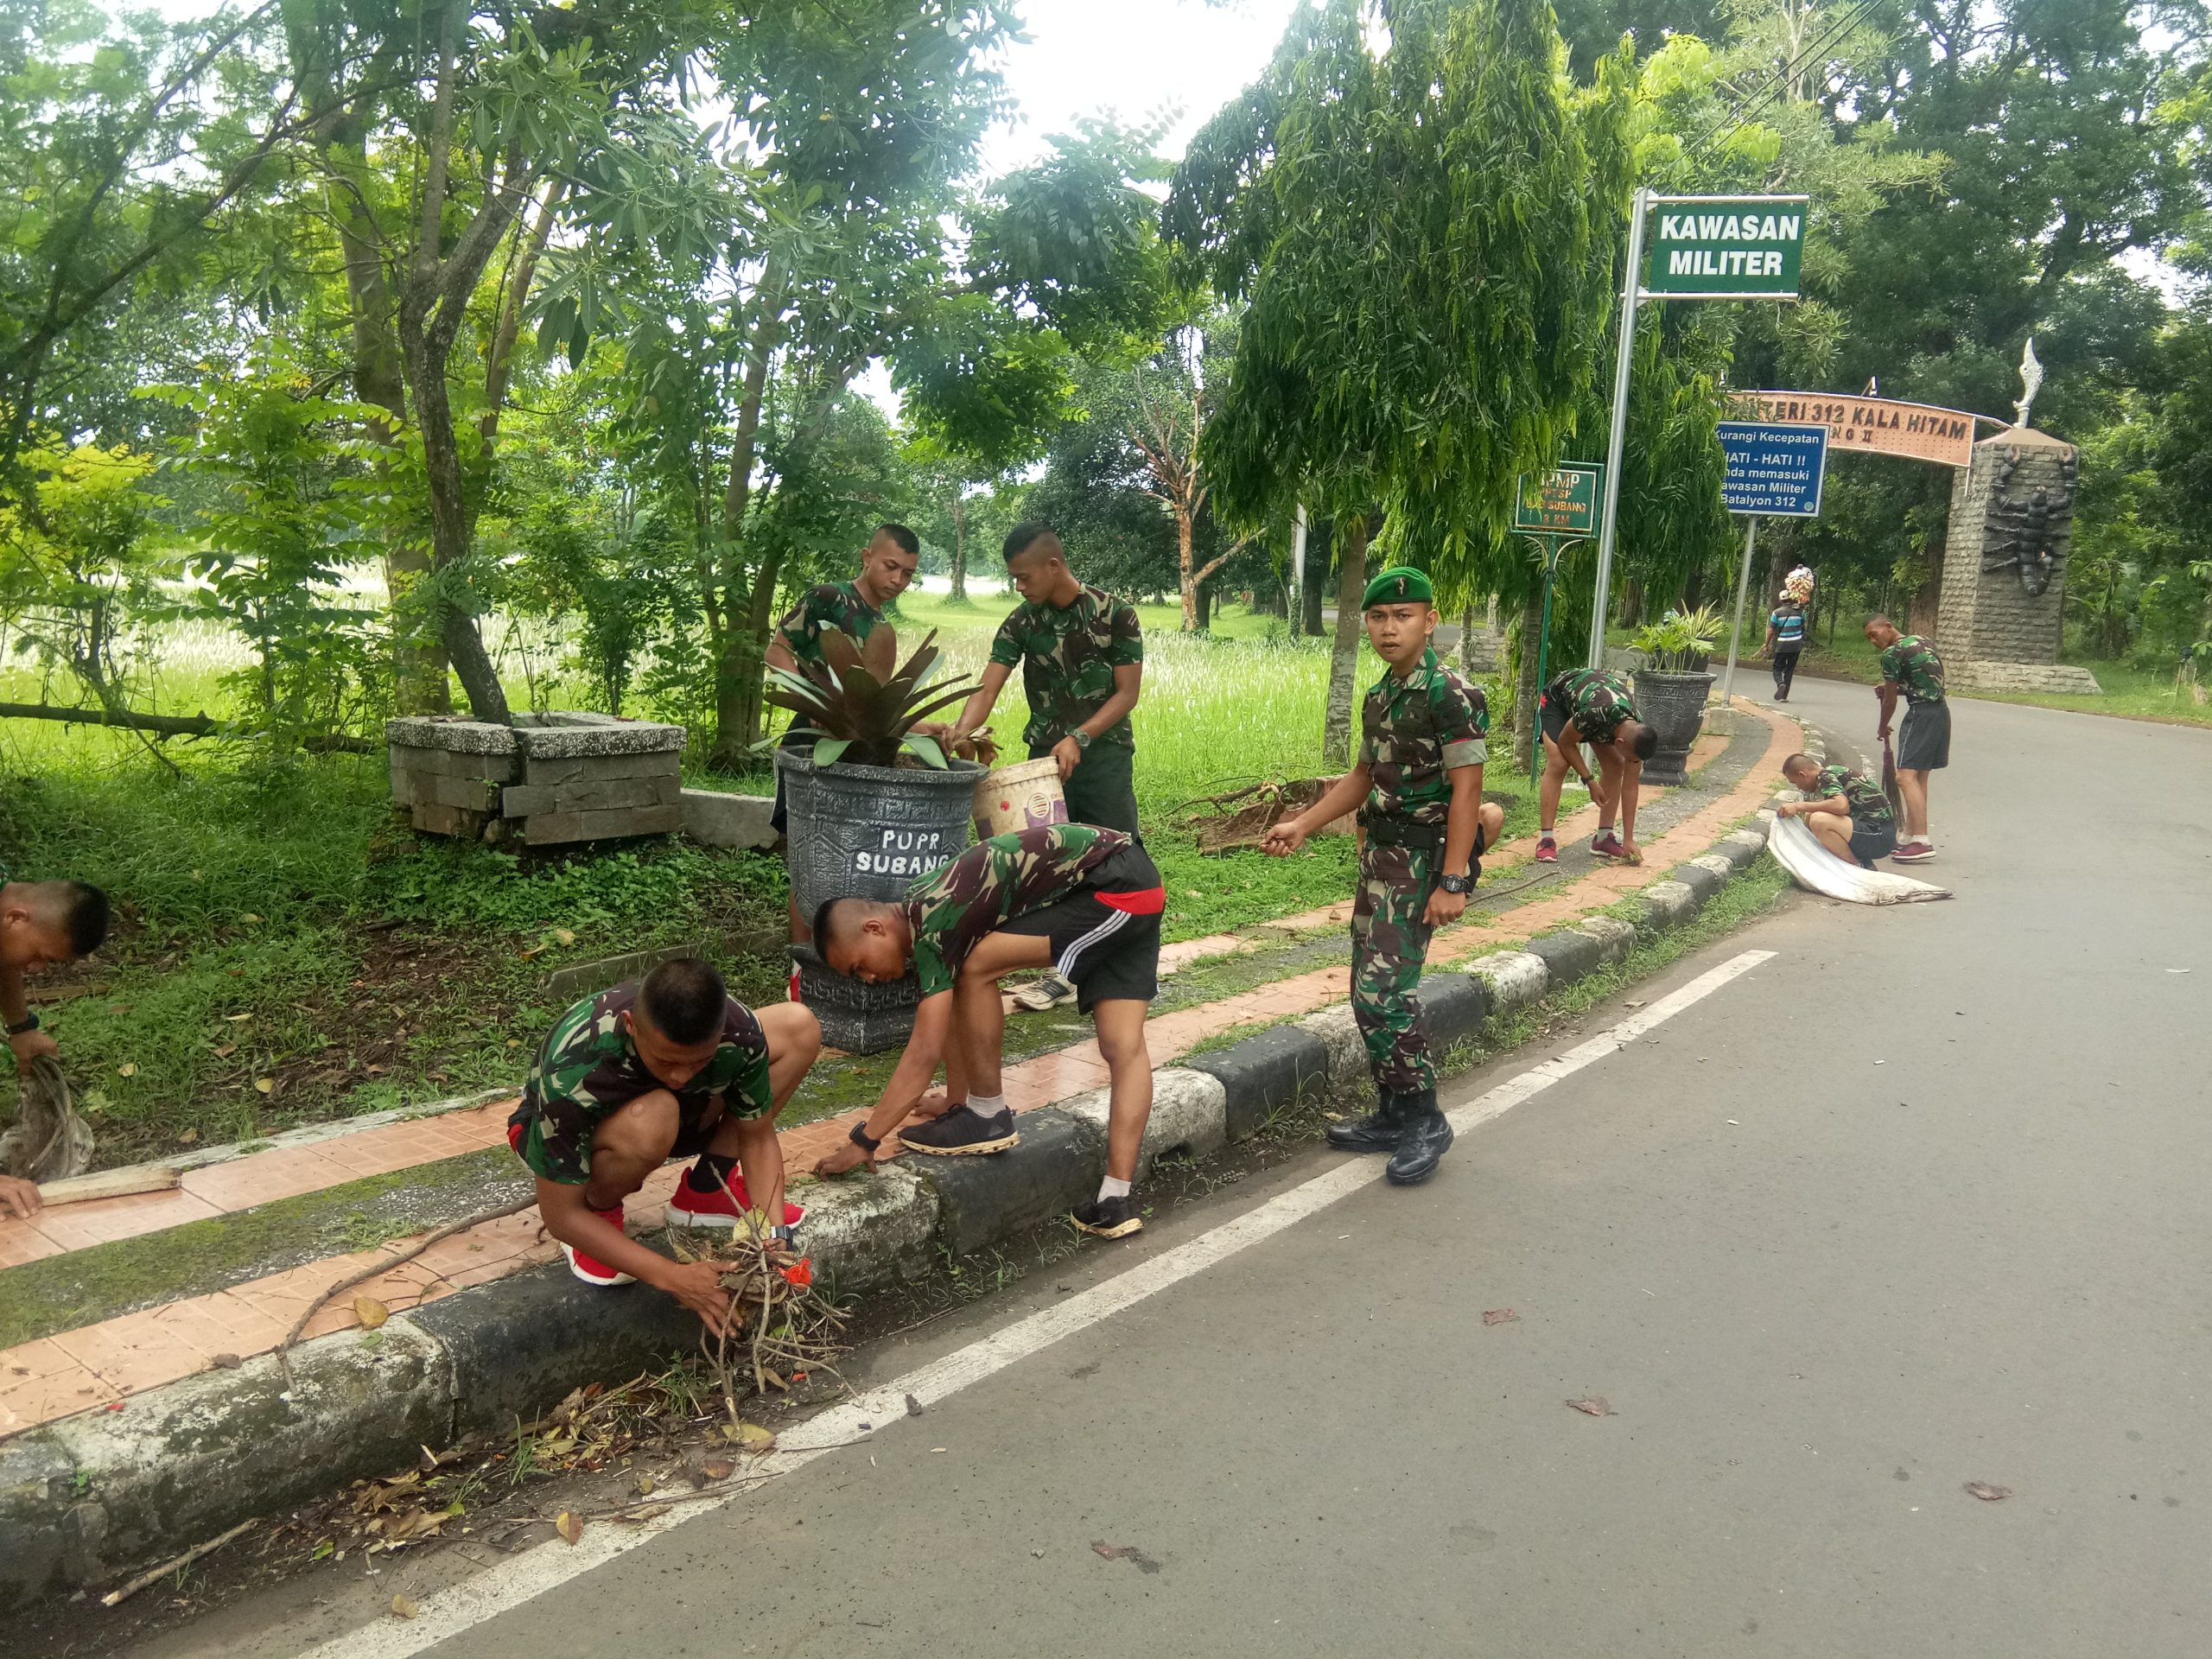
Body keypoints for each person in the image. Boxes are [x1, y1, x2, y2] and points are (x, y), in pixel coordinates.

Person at [1261, 567, 1503, 1185]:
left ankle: (1426, 1119)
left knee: (1385, 994)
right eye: (1378, 617)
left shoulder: (1451, 693)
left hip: (1423, 864)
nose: (1389, 628)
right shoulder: (1380, 694)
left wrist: (1454, 881)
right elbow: (1363, 777)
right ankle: (1394, 1111)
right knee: (1363, 989)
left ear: (1429, 621)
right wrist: (1304, 824)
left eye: (1403, 617)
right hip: (1380, 862)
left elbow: (1468, 789)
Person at [808, 823, 1162, 1240]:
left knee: (975, 965)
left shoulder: (933, 922)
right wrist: (951, 1103)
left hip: (1113, 889)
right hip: (1135, 883)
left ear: (874, 928)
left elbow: (924, 1051)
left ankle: (988, 1113)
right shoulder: (924, 903)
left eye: (858, 966)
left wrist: (865, 1141)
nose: (867, 978)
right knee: (1123, 1046)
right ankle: (1115, 1200)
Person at [506, 959, 821, 1327]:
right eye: (666, 1060)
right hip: (568, 1135)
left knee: (798, 1026)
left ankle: (705, 1190)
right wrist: (673, 1277)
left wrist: (775, 1232)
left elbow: (758, 1136)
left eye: (699, 1061)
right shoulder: (575, 1063)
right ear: (631, 1026)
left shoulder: (737, 1033)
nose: (681, 1075)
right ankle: (600, 1208)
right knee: (656, 1114)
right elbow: (560, 1217)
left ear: (719, 1033)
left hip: (676, 1117)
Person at [947, 522, 1144, 1009]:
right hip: (1043, 765)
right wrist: (961, 733)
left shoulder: (1115, 615)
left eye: (1024, 576)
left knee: (1116, 857)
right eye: (1014, 578)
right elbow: (987, 688)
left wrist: (1079, 737)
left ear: (1053, 566)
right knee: (1052, 859)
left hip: (1104, 756)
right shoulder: (1021, 622)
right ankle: (1061, 969)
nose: (1018, 586)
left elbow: (1127, 693)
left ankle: (1126, 960)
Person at [766, 524, 924, 959]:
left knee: (845, 856)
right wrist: (812, 702)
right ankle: (801, 963)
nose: (897, 580)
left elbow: (876, 703)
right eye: (891, 566)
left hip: (859, 749)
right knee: (804, 855)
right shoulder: (827, 598)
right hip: (811, 739)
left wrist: (928, 729)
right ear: (866, 556)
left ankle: (838, 954)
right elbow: (777, 652)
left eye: (908, 573)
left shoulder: (881, 626)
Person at [0, 868, 111, 1219]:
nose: (35, 969)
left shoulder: (7, 906)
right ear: (17, 918)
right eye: (40, 956)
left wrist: (22, 1028)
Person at [1534, 667, 1657, 866]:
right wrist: (1589, 781)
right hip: (1559, 701)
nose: (1633, 762)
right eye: (1633, 759)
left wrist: (1629, 839)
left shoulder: (1636, 730)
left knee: (1616, 764)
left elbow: (1631, 786)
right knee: (1559, 761)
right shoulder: (1595, 714)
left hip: (1594, 713)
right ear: (1619, 742)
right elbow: (1567, 743)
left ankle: (1603, 837)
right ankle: (1546, 839)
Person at [1863, 615, 1947, 863]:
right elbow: (1926, 679)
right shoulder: (1924, 641)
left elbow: (1890, 700)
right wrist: (1898, 687)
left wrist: (1882, 724)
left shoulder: (1891, 654)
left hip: (1921, 714)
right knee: (1919, 776)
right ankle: (1910, 835)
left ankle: (1921, 840)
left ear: (1888, 627)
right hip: (1940, 712)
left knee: (1904, 776)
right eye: (1869, 638)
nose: (1873, 641)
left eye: (1874, 634)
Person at [1777, 753, 1897, 868]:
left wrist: (1799, 806)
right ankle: (1863, 862)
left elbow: (1841, 806)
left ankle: (1855, 867)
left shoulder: (1824, 776)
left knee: (1818, 820)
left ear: (1802, 774)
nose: (1798, 787)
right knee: (1811, 815)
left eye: (1795, 782)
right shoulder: (1831, 771)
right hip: (1880, 833)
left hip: (1879, 835)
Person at [1764, 592, 1808, 701]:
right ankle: (1784, 696)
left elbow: (1771, 631)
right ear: (1791, 599)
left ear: (1780, 600)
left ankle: (1780, 684)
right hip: (1796, 644)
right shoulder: (1801, 612)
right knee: (1789, 669)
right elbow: (1803, 625)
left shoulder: (1776, 613)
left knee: (1777, 668)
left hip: (1782, 644)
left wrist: (1767, 644)